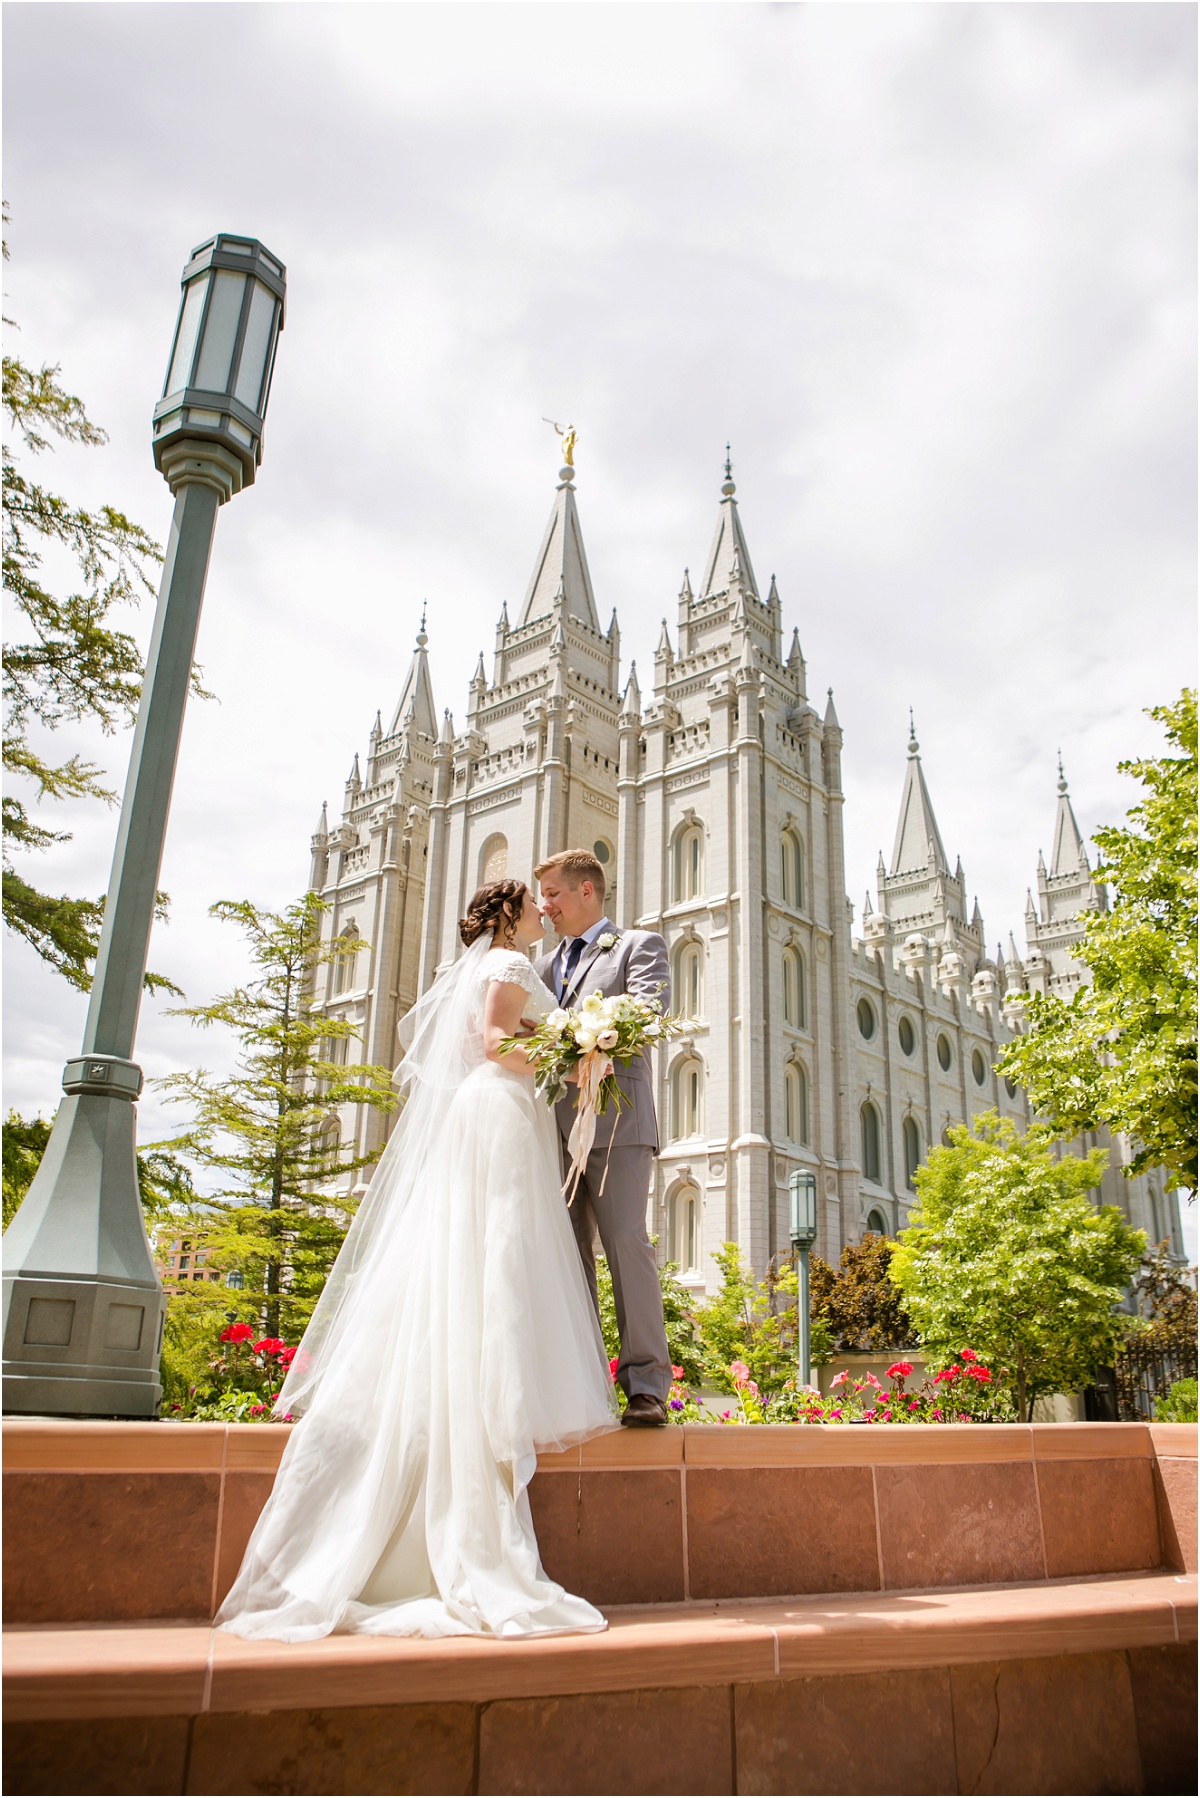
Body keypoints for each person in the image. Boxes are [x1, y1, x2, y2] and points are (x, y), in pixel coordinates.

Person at [216, 878, 618, 1642]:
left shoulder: (485, 967)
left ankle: (476, 1413)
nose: (545, 912)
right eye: (536, 905)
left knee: (478, 1256)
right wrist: (572, 1050)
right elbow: (492, 1045)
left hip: (493, 1115)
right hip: (496, 1111)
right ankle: (476, 1459)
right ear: (511, 916)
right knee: (492, 1258)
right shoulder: (505, 968)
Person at [533, 849, 673, 1427]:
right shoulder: (541, 967)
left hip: (618, 1126)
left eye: (554, 896)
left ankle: (646, 1387)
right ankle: (586, 1385)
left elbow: (648, 1013)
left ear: (587, 891)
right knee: (568, 1261)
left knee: (625, 1247)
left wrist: (576, 1037)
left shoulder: (639, 946)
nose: (544, 909)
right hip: (551, 1133)